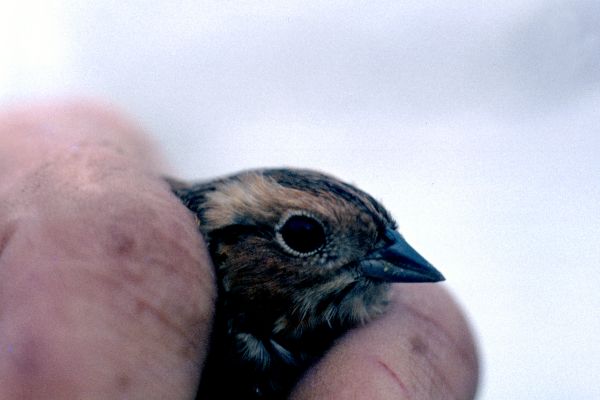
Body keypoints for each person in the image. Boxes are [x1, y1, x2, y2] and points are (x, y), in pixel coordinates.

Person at [0, 101, 478, 399]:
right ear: (231, 247)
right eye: (307, 237)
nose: (396, 264)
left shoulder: (331, 343)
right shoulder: (133, 277)